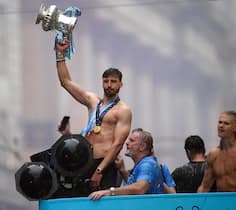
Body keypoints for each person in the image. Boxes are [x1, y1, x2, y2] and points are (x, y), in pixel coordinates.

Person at [55, 39, 132, 194]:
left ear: (120, 84)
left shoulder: (123, 110)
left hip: (104, 164)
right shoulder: (92, 101)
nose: (109, 85)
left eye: (113, 81)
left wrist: (99, 171)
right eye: (106, 81)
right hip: (83, 161)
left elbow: (117, 144)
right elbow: (66, 82)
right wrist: (60, 54)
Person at [89, 128, 161, 200]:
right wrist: (122, 170)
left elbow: (140, 188)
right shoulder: (141, 164)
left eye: (132, 140)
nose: (127, 143)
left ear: (142, 147)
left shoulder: (147, 165)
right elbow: (132, 186)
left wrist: (109, 192)